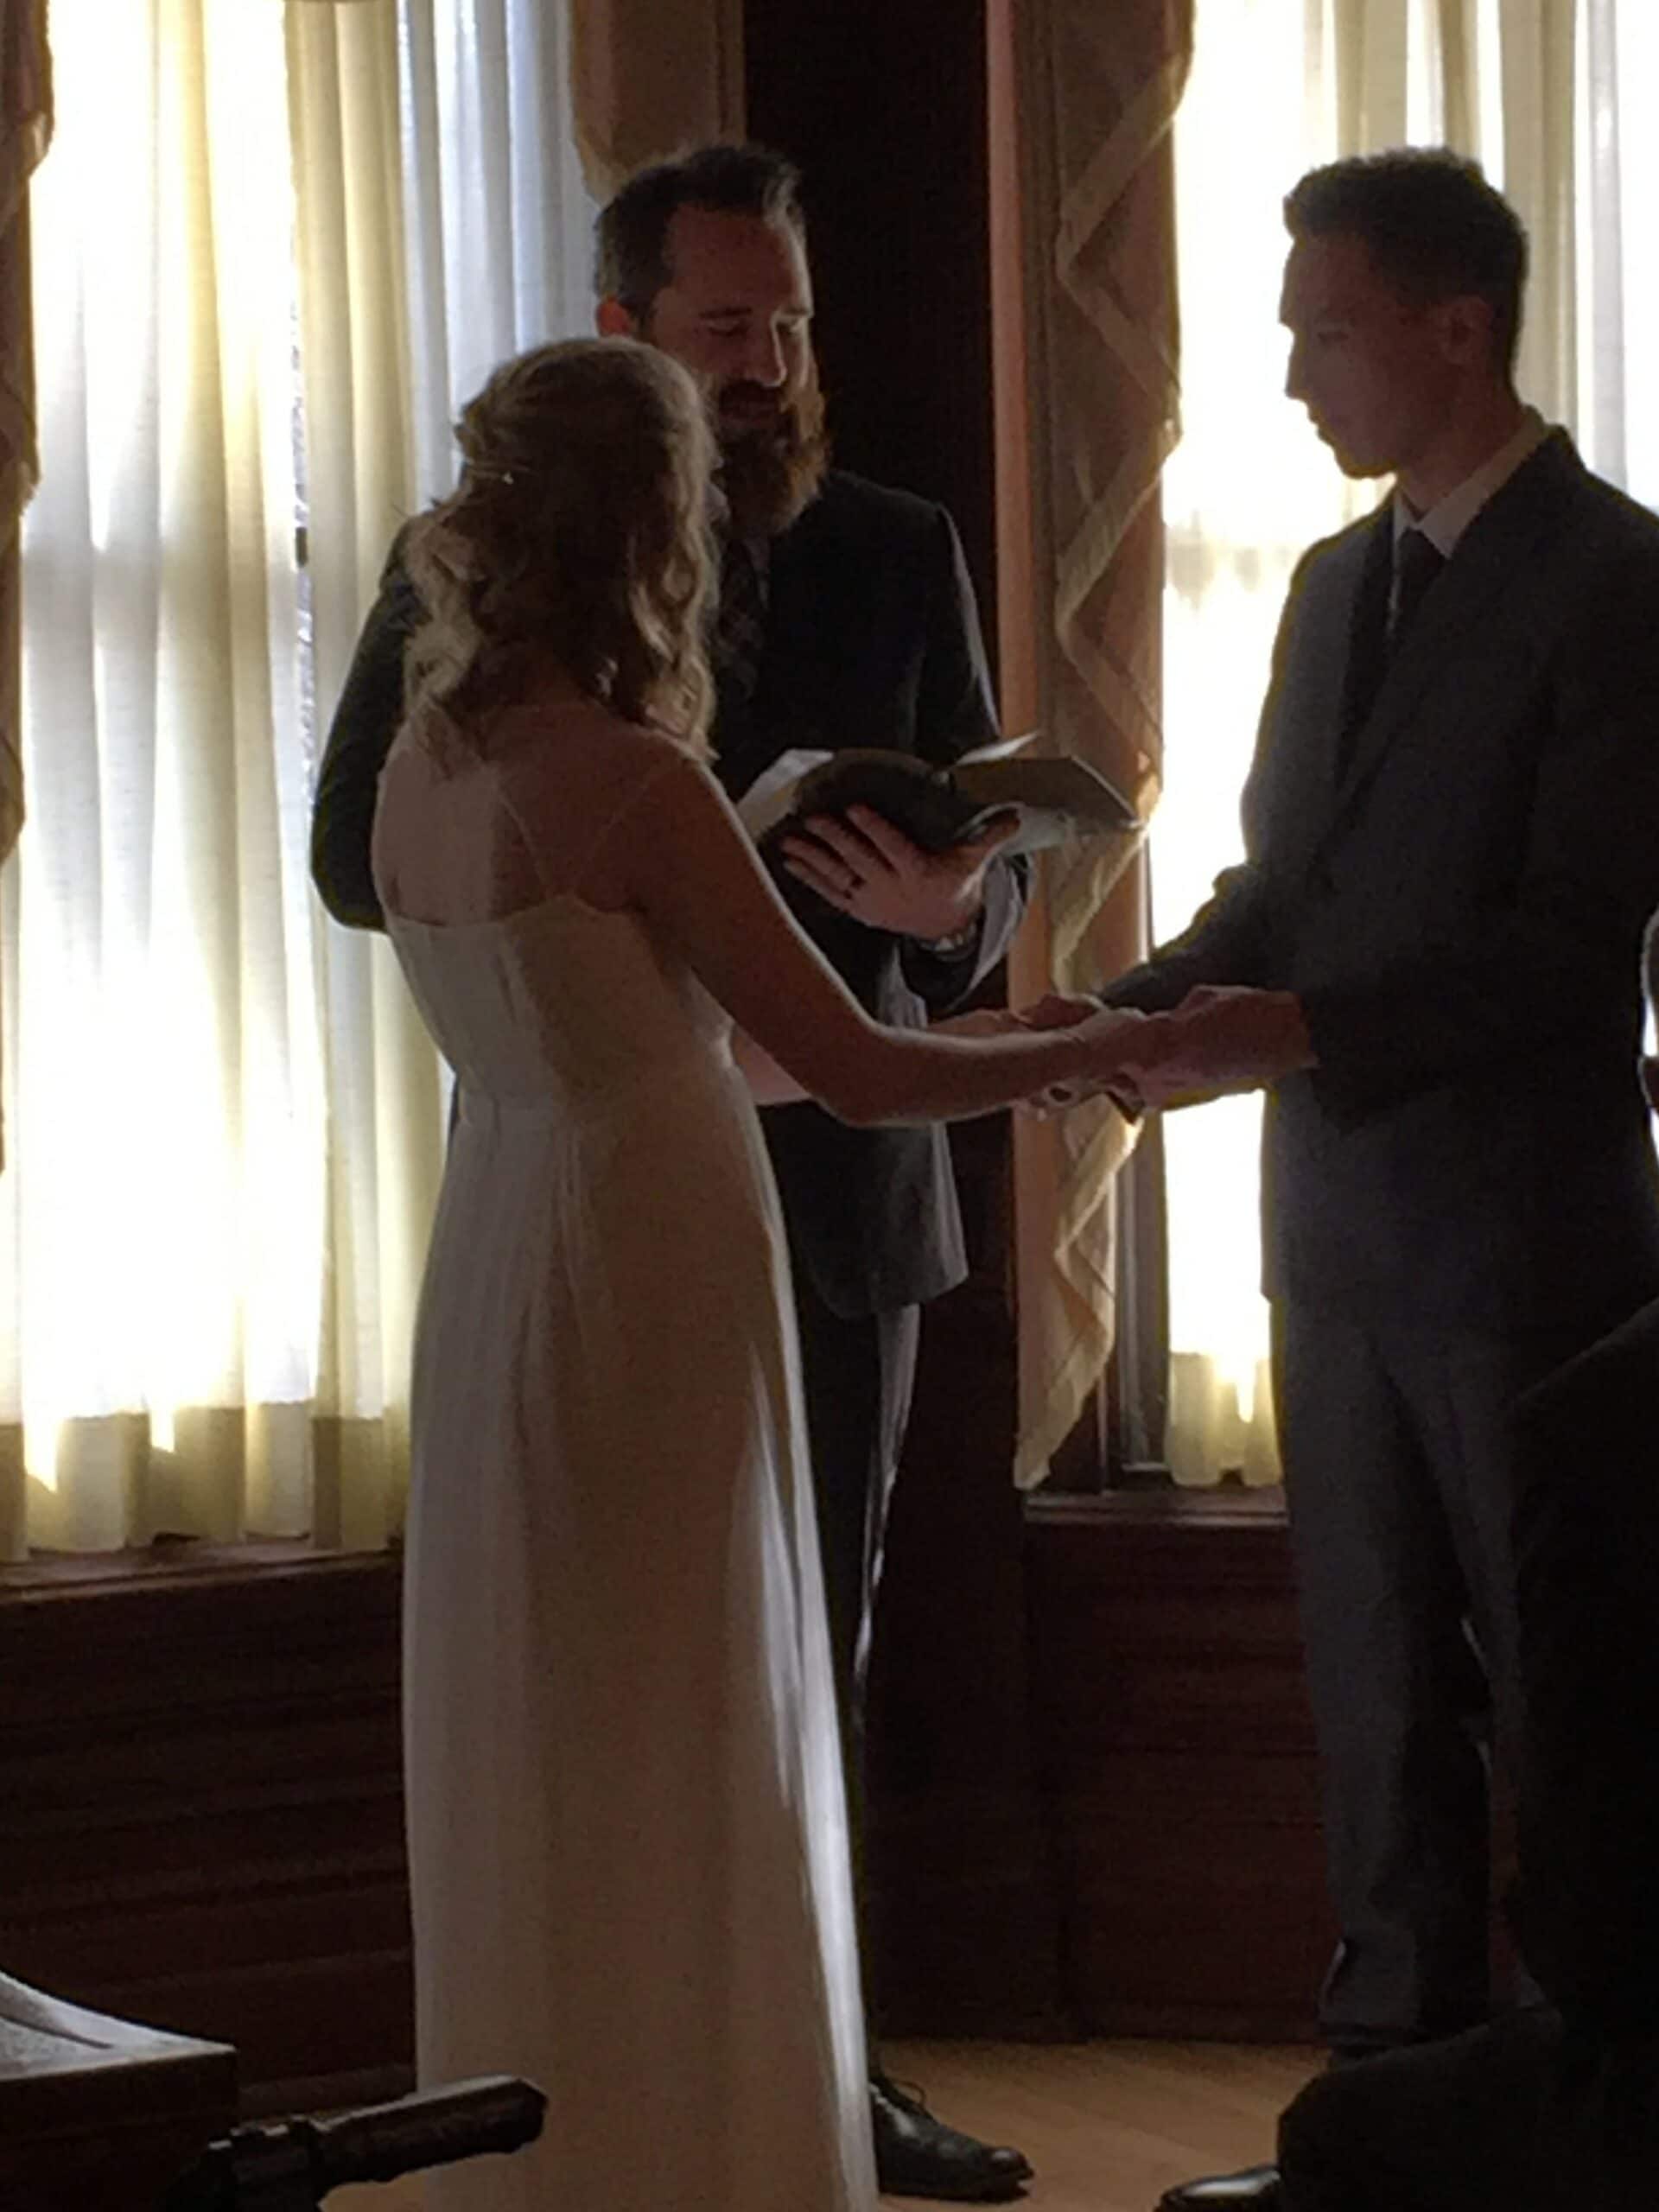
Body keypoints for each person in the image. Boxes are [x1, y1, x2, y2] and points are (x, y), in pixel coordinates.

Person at [311, 144, 1034, 2201]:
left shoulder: (896, 543)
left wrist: (947, 898)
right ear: (625, 331)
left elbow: (973, 878)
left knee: (807, 1650)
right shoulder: (486, 567)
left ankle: (813, 2061)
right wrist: (621, 917)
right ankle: (638, 2087)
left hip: (829, 1191)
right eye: (730, 325)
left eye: (791, 320)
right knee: (616, 1671)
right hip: (608, 1159)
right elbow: (359, 860)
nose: (771, 360)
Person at [1027, 149, 1659, 2211]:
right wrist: (1110, 1020)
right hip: (1337, 1236)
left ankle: (1571, 2120)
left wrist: (1286, 1030)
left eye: (1324, 326)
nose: (1292, 370)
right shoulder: (1326, 583)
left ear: (1454, 330)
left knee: (1569, 1711)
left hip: (1527, 1239)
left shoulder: (1623, 579)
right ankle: (1375, 2124)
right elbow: (1282, 892)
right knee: (1373, 1678)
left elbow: (1575, 938)